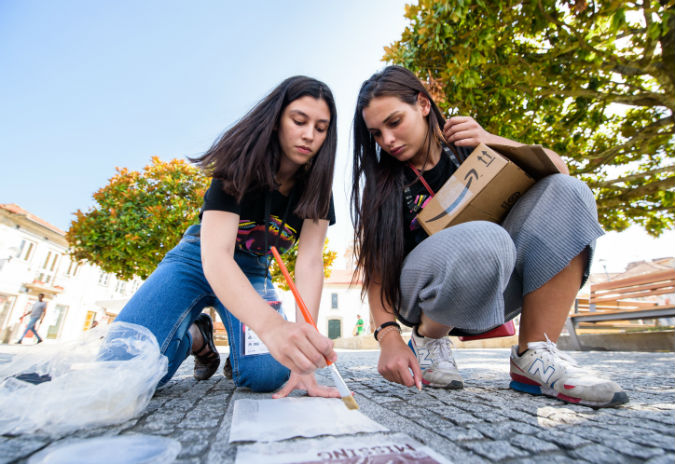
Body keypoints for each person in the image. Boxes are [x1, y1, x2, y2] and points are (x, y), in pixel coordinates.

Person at [350, 65, 628, 408]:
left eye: (394, 122)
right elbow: (376, 273)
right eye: (376, 133)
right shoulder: (380, 185)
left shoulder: (470, 144)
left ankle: (535, 355)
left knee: (569, 191)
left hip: (498, 282)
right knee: (486, 238)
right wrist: (389, 336)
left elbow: (560, 169)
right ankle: (427, 342)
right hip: (423, 296)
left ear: (423, 104)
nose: (387, 140)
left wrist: (492, 139)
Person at [108, 76, 340, 398]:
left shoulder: (317, 191)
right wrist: (271, 327)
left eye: (320, 127)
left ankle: (240, 349)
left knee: (270, 373)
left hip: (252, 270)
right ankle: (197, 337)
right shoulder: (239, 164)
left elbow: (310, 263)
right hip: (198, 258)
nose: (308, 135)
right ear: (275, 122)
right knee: (121, 372)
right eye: (299, 121)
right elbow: (216, 256)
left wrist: (304, 347)